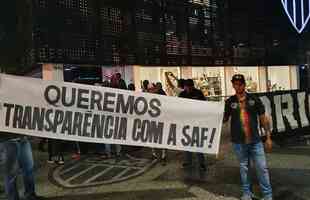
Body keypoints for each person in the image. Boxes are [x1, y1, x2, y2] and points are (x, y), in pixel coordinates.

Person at [223, 74, 273, 200]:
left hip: (255, 141)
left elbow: (264, 120)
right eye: (235, 84)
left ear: (244, 85)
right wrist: (216, 112)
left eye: (240, 84)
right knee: (244, 168)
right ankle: (247, 193)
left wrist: (268, 138)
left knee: (262, 168)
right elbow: (224, 119)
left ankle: (267, 195)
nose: (237, 86)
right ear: (233, 85)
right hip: (239, 143)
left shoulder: (254, 99)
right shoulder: (229, 102)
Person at [0, 132, 43, 200]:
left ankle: (30, 195)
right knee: (10, 174)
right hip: (6, 140)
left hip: (23, 139)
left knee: (29, 169)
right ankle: (13, 198)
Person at [178, 79, 207, 171]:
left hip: (197, 122)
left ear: (193, 86)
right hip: (186, 123)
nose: (188, 88)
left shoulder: (198, 93)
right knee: (187, 144)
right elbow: (177, 106)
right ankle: (188, 162)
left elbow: (205, 105)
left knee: (198, 144)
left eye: (190, 86)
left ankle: (201, 163)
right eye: (187, 86)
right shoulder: (182, 95)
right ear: (185, 86)